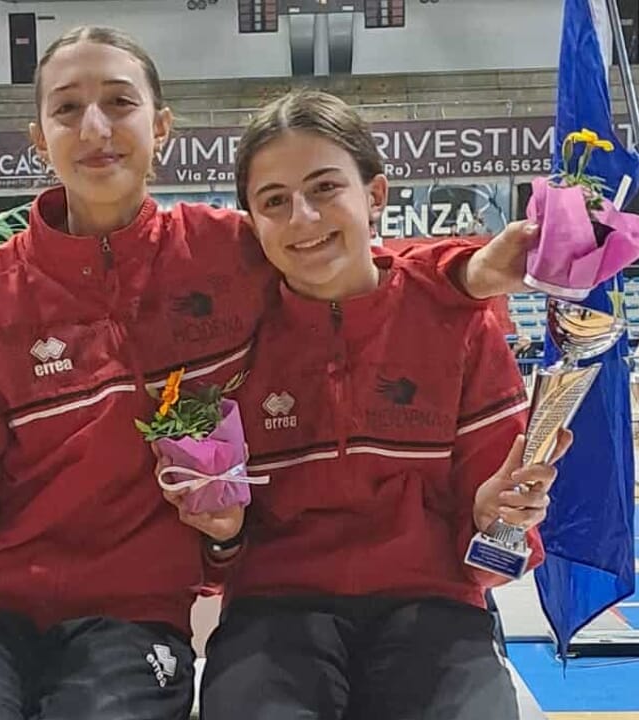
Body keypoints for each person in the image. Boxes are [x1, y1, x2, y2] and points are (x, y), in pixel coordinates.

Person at [0, 26, 541, 720]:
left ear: (161, 127)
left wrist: (468, 270)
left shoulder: (224, 252)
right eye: (67, 108)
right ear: (39, 139)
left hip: (132, 613)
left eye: (119, 102)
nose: (95, 127)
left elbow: (351, 263)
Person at [190, 90, 570, 720]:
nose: (303, 218)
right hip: (274, 613)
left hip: (434, 608)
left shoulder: (459, 323)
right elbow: (210, 555)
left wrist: (494, 520)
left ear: (375, 195)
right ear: (250, 224)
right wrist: (219, 535)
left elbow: (495, 563)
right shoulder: (229, 338)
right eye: (274, 201)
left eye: (325, 188)